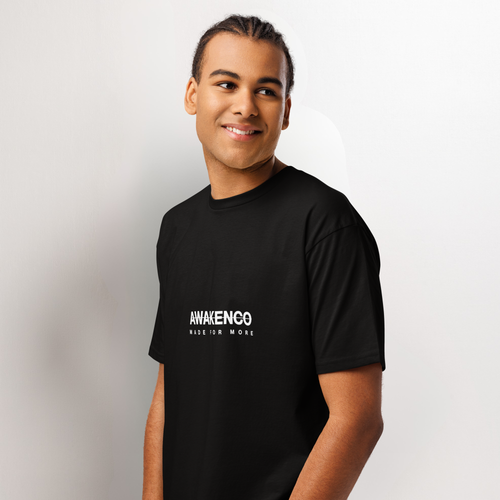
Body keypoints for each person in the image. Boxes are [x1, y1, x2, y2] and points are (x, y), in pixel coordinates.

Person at [142, 14, 386, 500]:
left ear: (286, 110)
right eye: (226, 83)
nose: (245, 106)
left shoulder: (325, 225)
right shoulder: (177, 229)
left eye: (266, 90)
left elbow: (357, 419)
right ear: (193, 95)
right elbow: (170, 390)